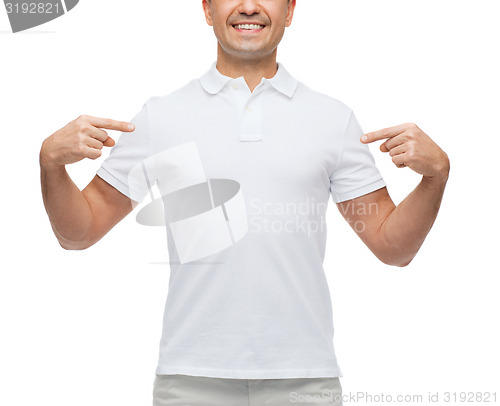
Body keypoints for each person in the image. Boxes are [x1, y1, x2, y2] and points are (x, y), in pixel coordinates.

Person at [39, 0, 450, 405]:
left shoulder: (332, 119)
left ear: (290, 11)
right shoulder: (161, 117)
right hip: (191, 380)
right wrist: (51, 164)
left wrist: (435, 177)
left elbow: (393, 248)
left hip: (304, 381)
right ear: (206, 10)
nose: (249, 6)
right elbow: (80, 234)